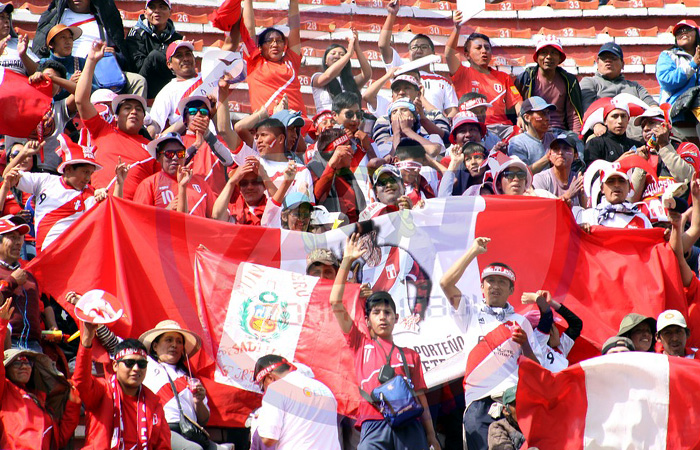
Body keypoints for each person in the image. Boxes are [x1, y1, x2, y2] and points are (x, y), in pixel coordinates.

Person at [329, 233, 441, 450]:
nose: (382, 317)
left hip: (411, 426)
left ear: (396, 318)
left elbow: (421, 398)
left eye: (388, 312)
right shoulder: (360, 345)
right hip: (372, 426)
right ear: (367, 320)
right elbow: (335, 302)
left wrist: (431, 436)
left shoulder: (411, 355)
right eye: (377, 312)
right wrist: (347, 261)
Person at [440, 237, 541, 450]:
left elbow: (537, 368)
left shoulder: (521, 322)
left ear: (511, 289)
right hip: (478, 404)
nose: (495, 286)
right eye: (490, 281)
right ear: (482, 287)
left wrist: (526, 346)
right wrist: (473, 251)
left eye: (502, 282)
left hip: (513, 402)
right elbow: (445, 283)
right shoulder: (470, 312)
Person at [3, 136, 126, 251]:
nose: (88, 178)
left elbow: (113, 215)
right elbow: (8, 177)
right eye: (85, 172)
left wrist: (120, 183)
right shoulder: (45, 181)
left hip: (69, 258)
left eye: (90, 173)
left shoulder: (88, 194)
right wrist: (24, 153)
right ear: (67, 169)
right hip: (42, 256)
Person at [75, 41, 157, 200]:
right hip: (99, 204)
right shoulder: (103, 129)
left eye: (139, 109)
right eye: (127, 108)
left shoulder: (152, 148)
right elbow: (81, 101)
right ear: (116, 116)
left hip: (132, 214)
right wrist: (91, 61)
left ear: (143, 119)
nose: (134, 112)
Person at [74, 321, 171, 449]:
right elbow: (81, 383)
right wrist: (86, 341)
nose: (136, 368)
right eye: (129, 363)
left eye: (142, 364)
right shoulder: (103, 390)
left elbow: (162, 445)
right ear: (115, 365)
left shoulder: (153, 402)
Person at [0, 298, 81, 449]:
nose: (24, 365)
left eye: (28, 362)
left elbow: (62, 436)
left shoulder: (43, 400)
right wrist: (2, 325)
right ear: (7, 368)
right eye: (17, 362)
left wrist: (73, 401)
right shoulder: (5, 393)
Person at [139, 320, 224, 450]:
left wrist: (199, 401)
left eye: (179, 342)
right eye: (169, 340)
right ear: (155, 346)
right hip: (163, 428)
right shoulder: (146, 365)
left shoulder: (190, 379)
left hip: (192, 432)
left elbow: (203, 420)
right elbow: (113, 343)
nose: (175, 345)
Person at [32, 0, 147, 96]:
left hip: (99, 69)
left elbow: (121, 51)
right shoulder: (56, 17)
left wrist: (114, 54)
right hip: (67, 68)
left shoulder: (104, 18)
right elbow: (41, 51)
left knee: (138, 81)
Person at [446, 11, 522, 139]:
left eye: (487, 48)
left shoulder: (503, 77)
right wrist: (457, 28)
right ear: (467, 54)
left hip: (503, 128)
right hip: (474, 127)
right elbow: (448, 54)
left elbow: (517, 102)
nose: (484, 51)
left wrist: (521, 117)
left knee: (522, 135)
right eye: (478, 48)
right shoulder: (462, 73)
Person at [378, 1, 458, 117]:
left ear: (433, 52)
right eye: (414, 47)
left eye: (424, 47)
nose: (418, 50)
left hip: (432, 129)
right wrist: (391, 15)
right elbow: (383, 46)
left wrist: (440, 126)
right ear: (409, 53)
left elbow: (453, 112)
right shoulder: (401, 70)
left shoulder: (443, 81)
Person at [253, 354, 341, 449]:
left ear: (270, 378)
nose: (264, 391)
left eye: (262, 386)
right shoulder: (324, 389)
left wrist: (261, 419)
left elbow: (268, 439)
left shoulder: (276, 389)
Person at [0, 216, 58, 352]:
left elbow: (44, 301)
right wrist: (12, 282)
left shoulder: (30, 271)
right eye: (12, 237)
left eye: (20, 238)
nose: (18, 243)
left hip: (34, 344)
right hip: (6, 343)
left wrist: (52, 327)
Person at [240, 0, 306, 114]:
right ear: (259, 47)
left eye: (279, 41)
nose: (275, 44)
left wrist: (294, 2)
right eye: (269, 41)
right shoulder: (254, 63)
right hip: (268, 123)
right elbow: (249, 29)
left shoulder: (291, 61)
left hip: (297, 123)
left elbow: (295, 28)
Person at [133, 132, 216, 217]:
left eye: (180, 153)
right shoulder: (149, 184)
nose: (175, 158)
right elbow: (139, 221)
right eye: (169, 154)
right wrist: (167, 211)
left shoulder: (200, 183)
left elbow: (217, 218)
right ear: (158, 157)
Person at [515, 38, 583, 134]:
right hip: (533, 131)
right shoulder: (526, 78)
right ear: (537, 57)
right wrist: (520, 117)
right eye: (544, 53)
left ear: (560, 58)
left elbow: (573, 115)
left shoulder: (569, 81)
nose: (549, 57)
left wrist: (576, 138)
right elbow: (515, 101)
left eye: (554, 53)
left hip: (560, 132)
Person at [308, 128, 368, 224]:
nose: (352, 151)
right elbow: (317, 198)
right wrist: (331, 165)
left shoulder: (347, 174)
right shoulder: (313, 168)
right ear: (336, 151)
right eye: (348, 147)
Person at [125, 0, 183, 99]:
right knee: (154, 56)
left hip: (168, 84)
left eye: (162, 7)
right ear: (145, 12)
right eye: (152, 7)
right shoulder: (136, 33)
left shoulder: (177, 38)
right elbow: (138, 66)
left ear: (170, 12)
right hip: (143, 85)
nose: (157, 11)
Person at [579, 42, 657, 113]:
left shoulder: (635, 87)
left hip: (633, 126)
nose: (608, 61)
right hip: (602, 126)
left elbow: (652, 105)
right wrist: (597, 125)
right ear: (598, 63)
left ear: (622, 64)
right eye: (604, 58)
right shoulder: (589, 82)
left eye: (613, 58)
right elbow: (588, 110)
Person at [520, 290, 583, 373]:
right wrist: (536, 298)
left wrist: (551, 302)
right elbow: (547, 316)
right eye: (554, 327)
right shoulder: (537, 345)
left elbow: (576, 324)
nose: (558, 331)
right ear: (548, 332)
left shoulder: (559, 350)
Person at [147, 40, 201, 136]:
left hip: (218, 139)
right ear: (169, 64)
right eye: (179, 55)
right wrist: (151, 129)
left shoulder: (208, 76)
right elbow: (156, 123)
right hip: (189, 141)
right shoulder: (167, 91)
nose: (185, 58)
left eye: (188, 54)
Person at [311, 30, 372, 112]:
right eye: (333, 53)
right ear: (325, 60)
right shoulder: (317, 77)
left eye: (342, 55)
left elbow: (367, 74)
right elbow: (328, 76)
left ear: (346, 62)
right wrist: (348, 54)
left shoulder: (350, 81)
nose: (337, 56)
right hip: (328, 122)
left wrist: (356, 47)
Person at [575, 165, 652, 229]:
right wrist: (580, 231)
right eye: (611, 181)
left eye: (621, 180)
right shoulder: (589, 217)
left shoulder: (642, 219)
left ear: (629, 187)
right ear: (602, 188)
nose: (616, 185)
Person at [39, 24, 101, 101]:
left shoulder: (81, 62)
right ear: (51, 44)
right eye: (63, 37)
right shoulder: (44, 63)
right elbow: (42, 93)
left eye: (70, 38)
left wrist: (84, 82)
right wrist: (69, 84)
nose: (68, 42)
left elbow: (96, 91)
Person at [657, 20, 700, 118]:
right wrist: (693, 65)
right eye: (679, 32)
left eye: (687, 30)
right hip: (675, 106)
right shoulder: (668, 55)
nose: (683, 32)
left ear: (697, 34)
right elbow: (667, 81)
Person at [532, 133, 586, 207]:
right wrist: (568, 195)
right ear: (550, 156)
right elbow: (541, 210)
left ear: (575, 156)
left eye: (566, 148)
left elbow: (587, 212)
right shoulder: (540, 179)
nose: (560, 152)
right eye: (556, 149)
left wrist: (582, 195)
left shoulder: (579, 180)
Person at [583, 100, 643, 166]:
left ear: (628, 120)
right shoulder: (595, 144)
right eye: (615, 116)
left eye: (623, 116)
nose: (620, 121)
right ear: (605, 121)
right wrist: (620, 162)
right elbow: (591, 172)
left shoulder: (637, 145)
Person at [212, 157, 268, 225]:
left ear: (264, 185)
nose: (250, 187)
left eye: (255, 182)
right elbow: (217, 216)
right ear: (239, 188)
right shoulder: (233, 211)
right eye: (244, 183)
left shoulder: (272, 208)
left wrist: (265, 176)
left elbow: (279, 204)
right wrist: (231, 182)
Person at [507, 96, 555, 173]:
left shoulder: (553, 139)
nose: (547, 118)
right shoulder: (517, 143)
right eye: (541, 114)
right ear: (527, 118)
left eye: (548, 113)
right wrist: (547, 158)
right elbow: (520, 173)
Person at [0, 3, 38, 75]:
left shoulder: (19, 44)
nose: (7, 21)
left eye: (8, 17)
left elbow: (39, 73)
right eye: (1, 17)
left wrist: (23, 56)